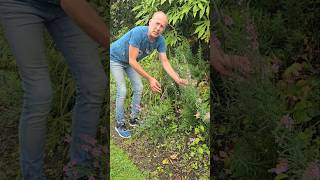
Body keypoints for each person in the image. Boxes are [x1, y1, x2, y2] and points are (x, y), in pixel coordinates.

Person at [0, 0, 108, 179]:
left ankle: (80, 171)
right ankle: (32, 176)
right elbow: (72, 3)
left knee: (93, 82)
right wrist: (116, 46)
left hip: (62, 8)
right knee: (39, 93)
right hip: (18, 4)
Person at [110, 11, 188, 138]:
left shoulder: (160, 41)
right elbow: (132, 60)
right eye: (157, 23)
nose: (158, 28)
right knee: (122, 90)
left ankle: (134, 119)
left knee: (139, 87)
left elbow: (164, 61)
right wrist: (150, 78)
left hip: (129, 62)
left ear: (164, 28)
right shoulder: (138, 33)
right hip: (115, 58)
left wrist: (177, 79)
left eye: (162, 26)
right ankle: (119, 124)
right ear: (150, 21)